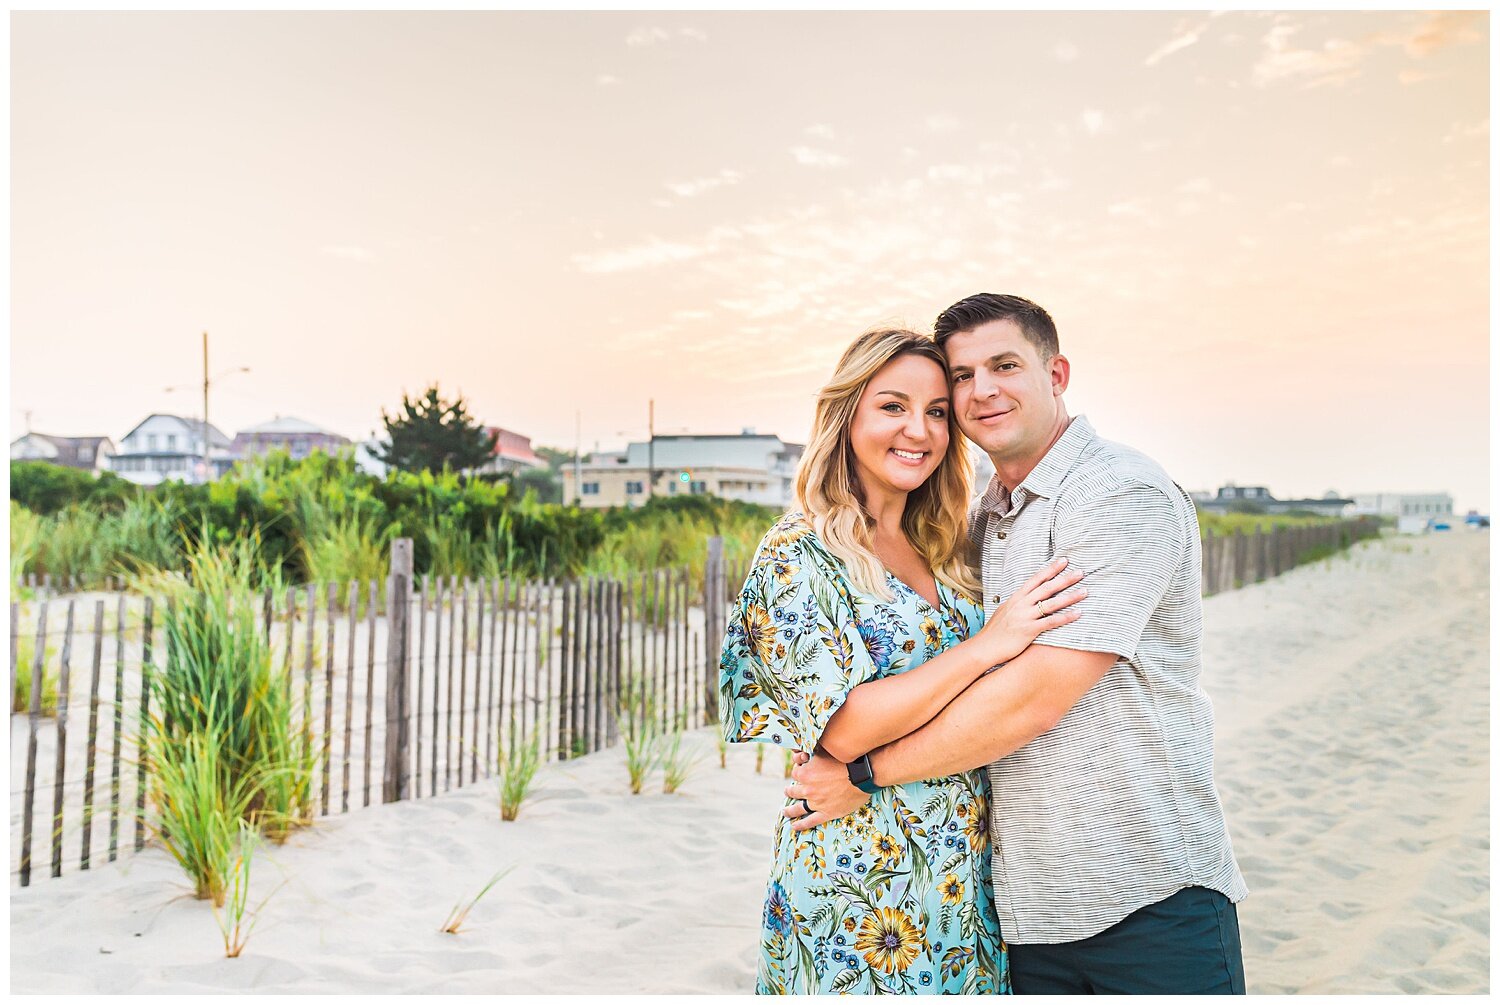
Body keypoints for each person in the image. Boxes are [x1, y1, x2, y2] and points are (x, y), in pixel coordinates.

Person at [784, 294, 1249, 994]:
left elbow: (1030, 701)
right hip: (1024, 914)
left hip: (1146, 892)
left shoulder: (1119, 495)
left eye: (1005, 365)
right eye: (962, 377)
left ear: (1057, 373)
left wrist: (863, 773)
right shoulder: (978, 522)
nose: (981, 391)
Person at [719, 327, 1086, 995]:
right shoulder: (798, 551)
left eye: (938, 411)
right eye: (893, 406)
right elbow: (844, 728)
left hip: (962, 881)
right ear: (848, 414)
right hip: (855, 885)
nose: (918, 429)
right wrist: (985, 646)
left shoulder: (945, 547)